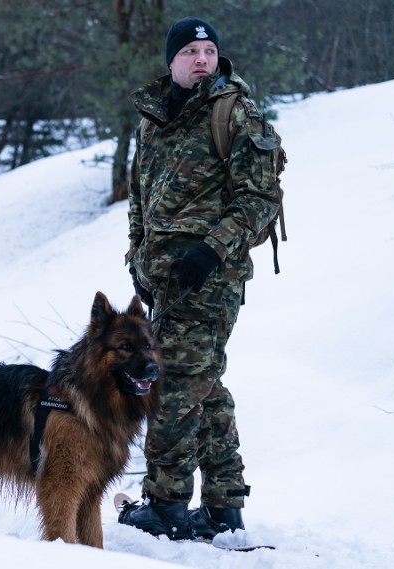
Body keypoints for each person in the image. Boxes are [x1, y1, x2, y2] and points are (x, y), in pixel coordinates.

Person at [119, 16, 281, 540]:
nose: (202, 59)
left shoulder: (234, 113)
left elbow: (260, 199)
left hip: (211, 278)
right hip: (163, 281)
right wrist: (137, 258)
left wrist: (210, 252)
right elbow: (139, 197)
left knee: (173, 386)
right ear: (172, 61)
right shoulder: (153, 118)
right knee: (204, 387)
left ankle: (165, 503)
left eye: (209, 50)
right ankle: (223, 507)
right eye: (190, 51)